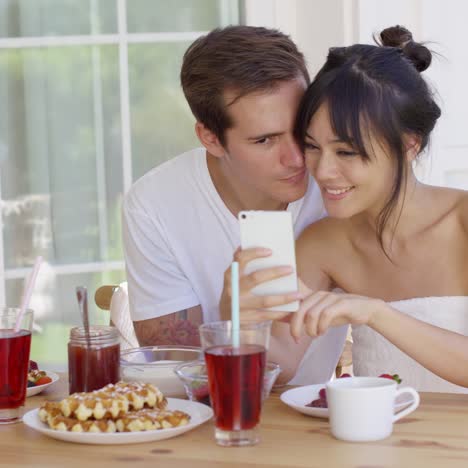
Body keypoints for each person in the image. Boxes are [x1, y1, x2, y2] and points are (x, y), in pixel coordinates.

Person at [227, 25, 468, 392]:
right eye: (312, 146)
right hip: (374, 445)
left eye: (346, 152)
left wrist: (375, 313)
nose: (322, 171)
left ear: (409, 145)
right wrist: (242, 322)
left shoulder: (462, 223)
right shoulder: (324, 243)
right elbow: (282, 366)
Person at [122, 25, 348, 382]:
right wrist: (232, 323)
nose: (297, 158)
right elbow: (171, 367)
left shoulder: (340, 188)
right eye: (264, 140)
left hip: (317, 415)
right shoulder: (154, 205)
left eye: (300, 127)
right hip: (208, 417)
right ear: (211, 138)